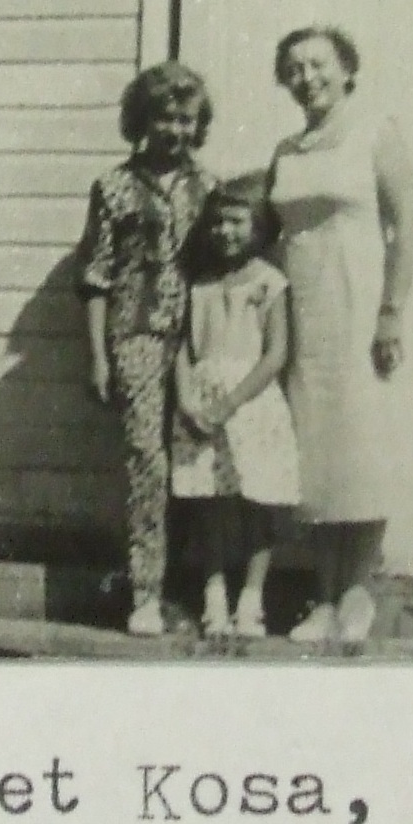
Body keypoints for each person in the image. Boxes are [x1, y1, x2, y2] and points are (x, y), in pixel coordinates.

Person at [267, 24, 413, 647]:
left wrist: (392, 311)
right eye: (296, 68)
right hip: (303, 306)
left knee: (361, 441)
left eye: (319, 64)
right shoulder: (288, 149)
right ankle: (322, 598)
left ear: (347, 69)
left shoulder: (375, 130)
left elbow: (406, 224)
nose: (309, 77)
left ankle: (356, 592)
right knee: (316, 448)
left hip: (357, 300)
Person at [78, 62, 215, 637]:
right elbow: (95, 276)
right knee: (146, 459)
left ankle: (201, 589)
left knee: (199, 460)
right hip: (135, 334)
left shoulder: (207, 186)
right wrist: (98, 356)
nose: (176, 130)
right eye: (165, 117)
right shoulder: (112, 187)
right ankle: (144, 592)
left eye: (187, 120)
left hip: (200, 336)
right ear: (142, 120)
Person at [170, 175, 301, 638]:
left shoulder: (269, 283)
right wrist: (188, 400)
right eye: (217, 222)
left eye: (236, 221)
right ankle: (213, 595)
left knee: (258, 501)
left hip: (251, 404)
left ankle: (251, 598)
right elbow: (184, 349)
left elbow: (276, 355)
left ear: (259, 226)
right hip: (201, 405)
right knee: (208, 502)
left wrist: (231, 402)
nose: (225, 231)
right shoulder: (198, 284)